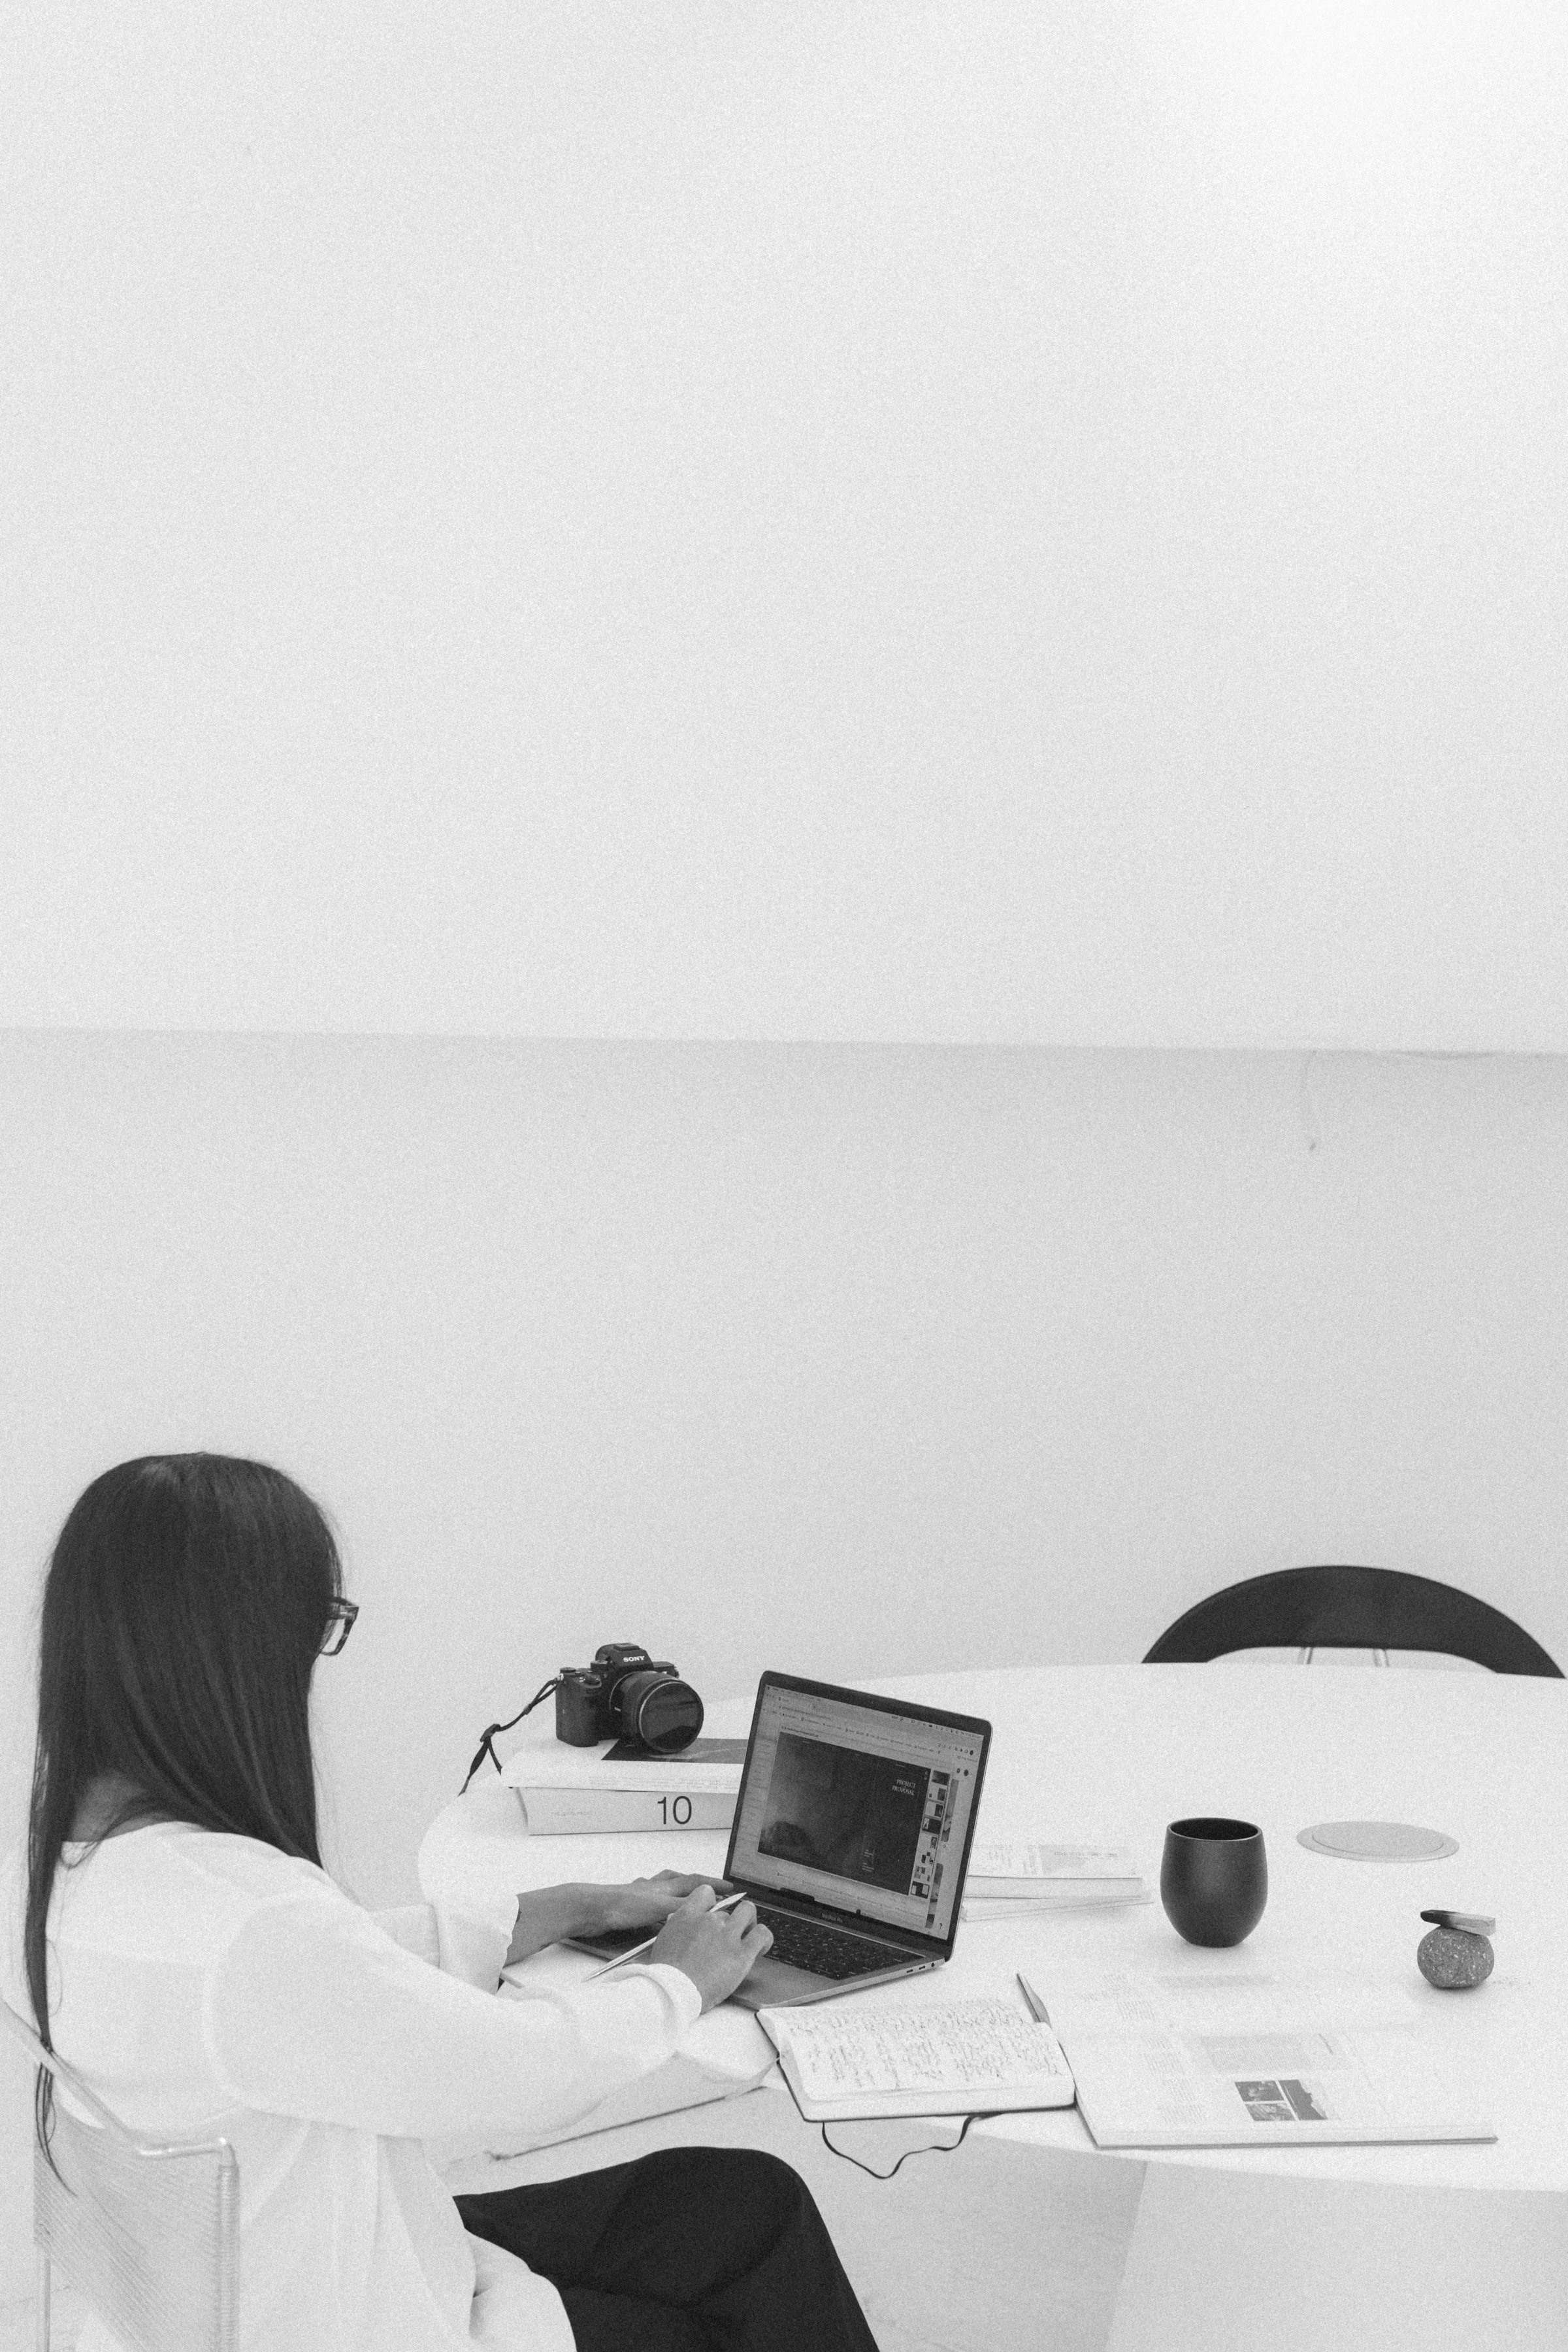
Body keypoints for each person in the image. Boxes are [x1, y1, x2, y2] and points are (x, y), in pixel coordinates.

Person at [0, 1454, 881, 2352]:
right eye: (318, 1623)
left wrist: (565, 1909)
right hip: (355, 2317)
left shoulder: (77, 1872)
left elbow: (334, 1989)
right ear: (243, 1649)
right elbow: (512, 2075)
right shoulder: (254, 1931)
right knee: (730, 2291)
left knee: (739, 2203)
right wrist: (676, 1982)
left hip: (261, 2277)